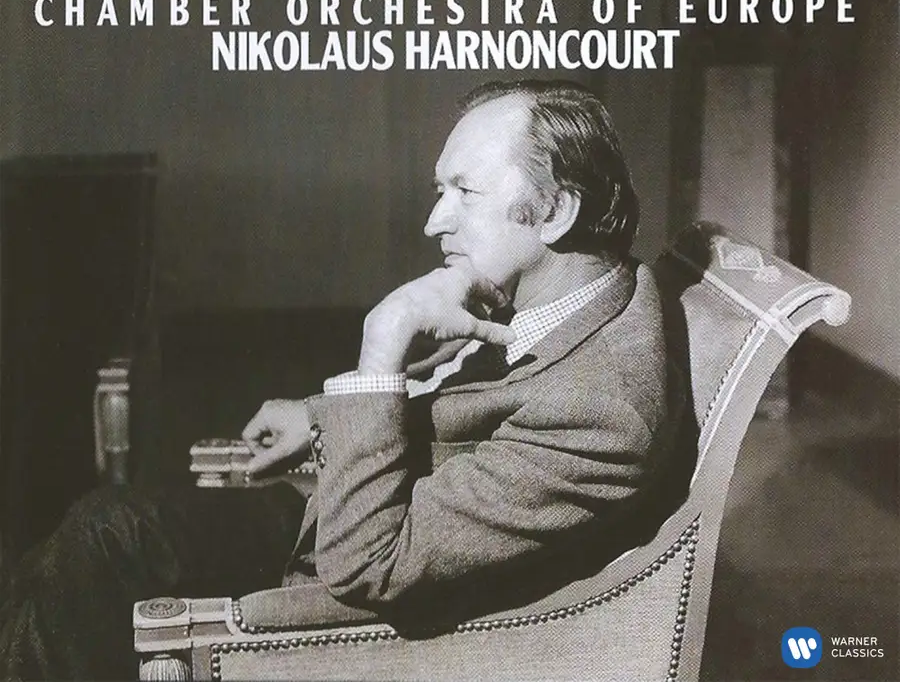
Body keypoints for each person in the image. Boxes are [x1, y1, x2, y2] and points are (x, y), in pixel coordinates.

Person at [0, 79, 695, 680]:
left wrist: (383, 343)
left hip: (352, 589)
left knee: (97, 545)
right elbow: (464, 409)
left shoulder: (603, 412)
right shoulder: (570, 295)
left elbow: (372, 568)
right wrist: (319, 415)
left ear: (558, 211)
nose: (434, 221)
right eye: (440, 190)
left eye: (465, 192)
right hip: (358, 512)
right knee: (85, 541)